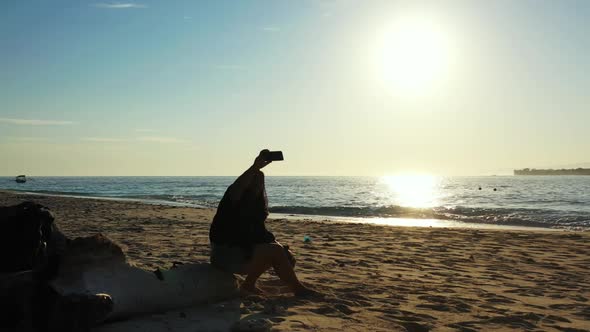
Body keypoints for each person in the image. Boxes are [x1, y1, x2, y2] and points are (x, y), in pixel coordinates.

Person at [209, 150, 314, 296]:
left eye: (260, 181)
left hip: (242, 252)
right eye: (254, 180)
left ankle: (249, 284)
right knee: (275, 251)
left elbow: (262, 236)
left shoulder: (255, 210)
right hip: (225, 254)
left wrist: (283, 251)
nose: (258, 183)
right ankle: (298, 290)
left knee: (281, 252)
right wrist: (255, 167)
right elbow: (237, 186)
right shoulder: (232, 200)